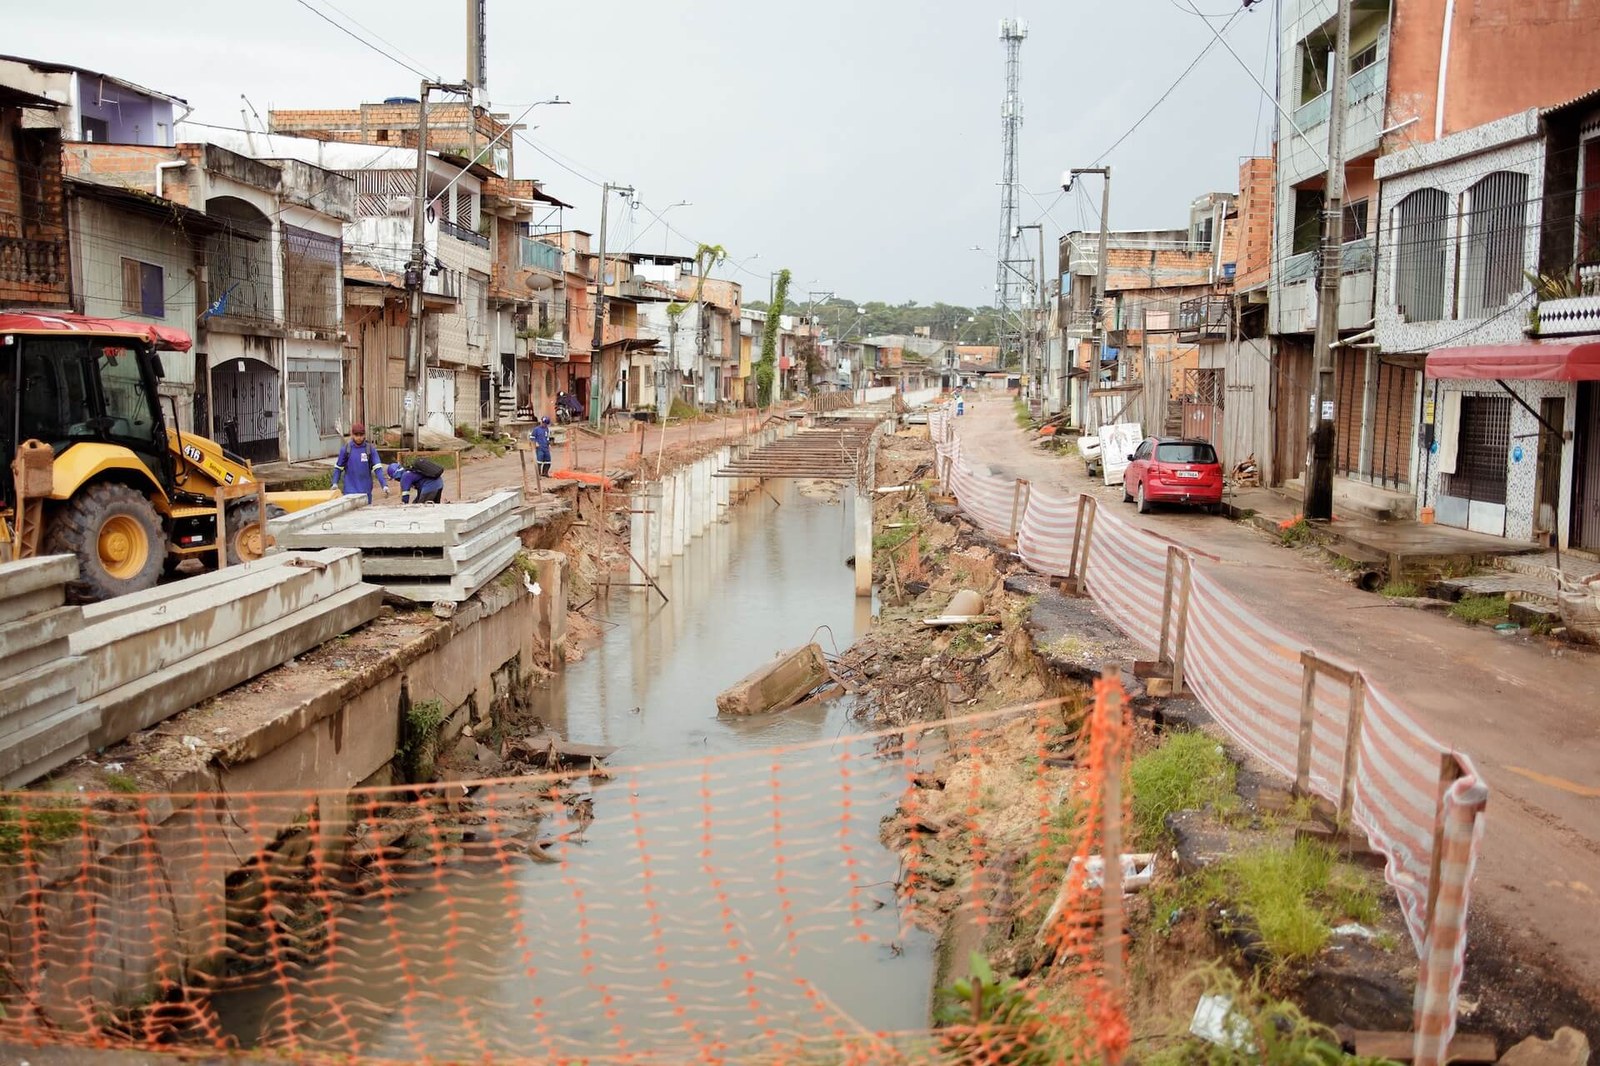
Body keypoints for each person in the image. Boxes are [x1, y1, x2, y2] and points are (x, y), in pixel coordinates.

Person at [334, 423, 389, 503]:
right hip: (350, 491)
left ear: (365, 435)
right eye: (356, 435)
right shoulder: (346, 450)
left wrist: (384, 485)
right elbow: (338, 468)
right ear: (352, 435)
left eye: (361, 435)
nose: (359, 437)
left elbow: (378, 469)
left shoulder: (370, 449)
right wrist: (335, 483)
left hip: (366, 491)